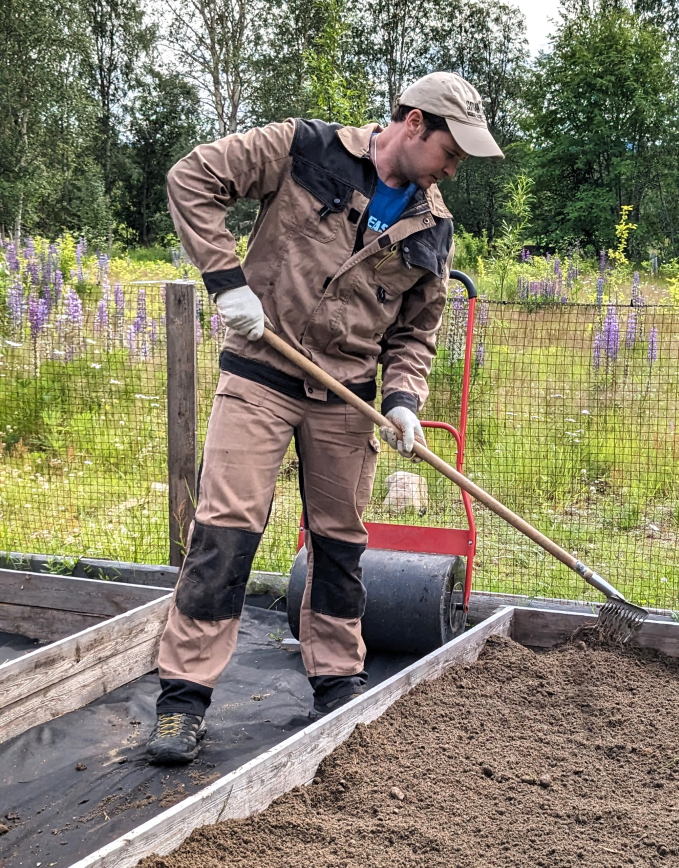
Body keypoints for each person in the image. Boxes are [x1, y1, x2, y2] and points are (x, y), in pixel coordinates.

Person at [147, 72, 503, 764]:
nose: (452, 169)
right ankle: (182, 700)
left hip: (346, 395)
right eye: (450, 152)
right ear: (411, 121)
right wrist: (227, 283)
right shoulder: (304, 149)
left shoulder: (434, 230)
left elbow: (416, 334)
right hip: (261, 372)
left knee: (340, 544)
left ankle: (337, 681)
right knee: (226, 532)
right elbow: (191, 179)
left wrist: (402, 400)